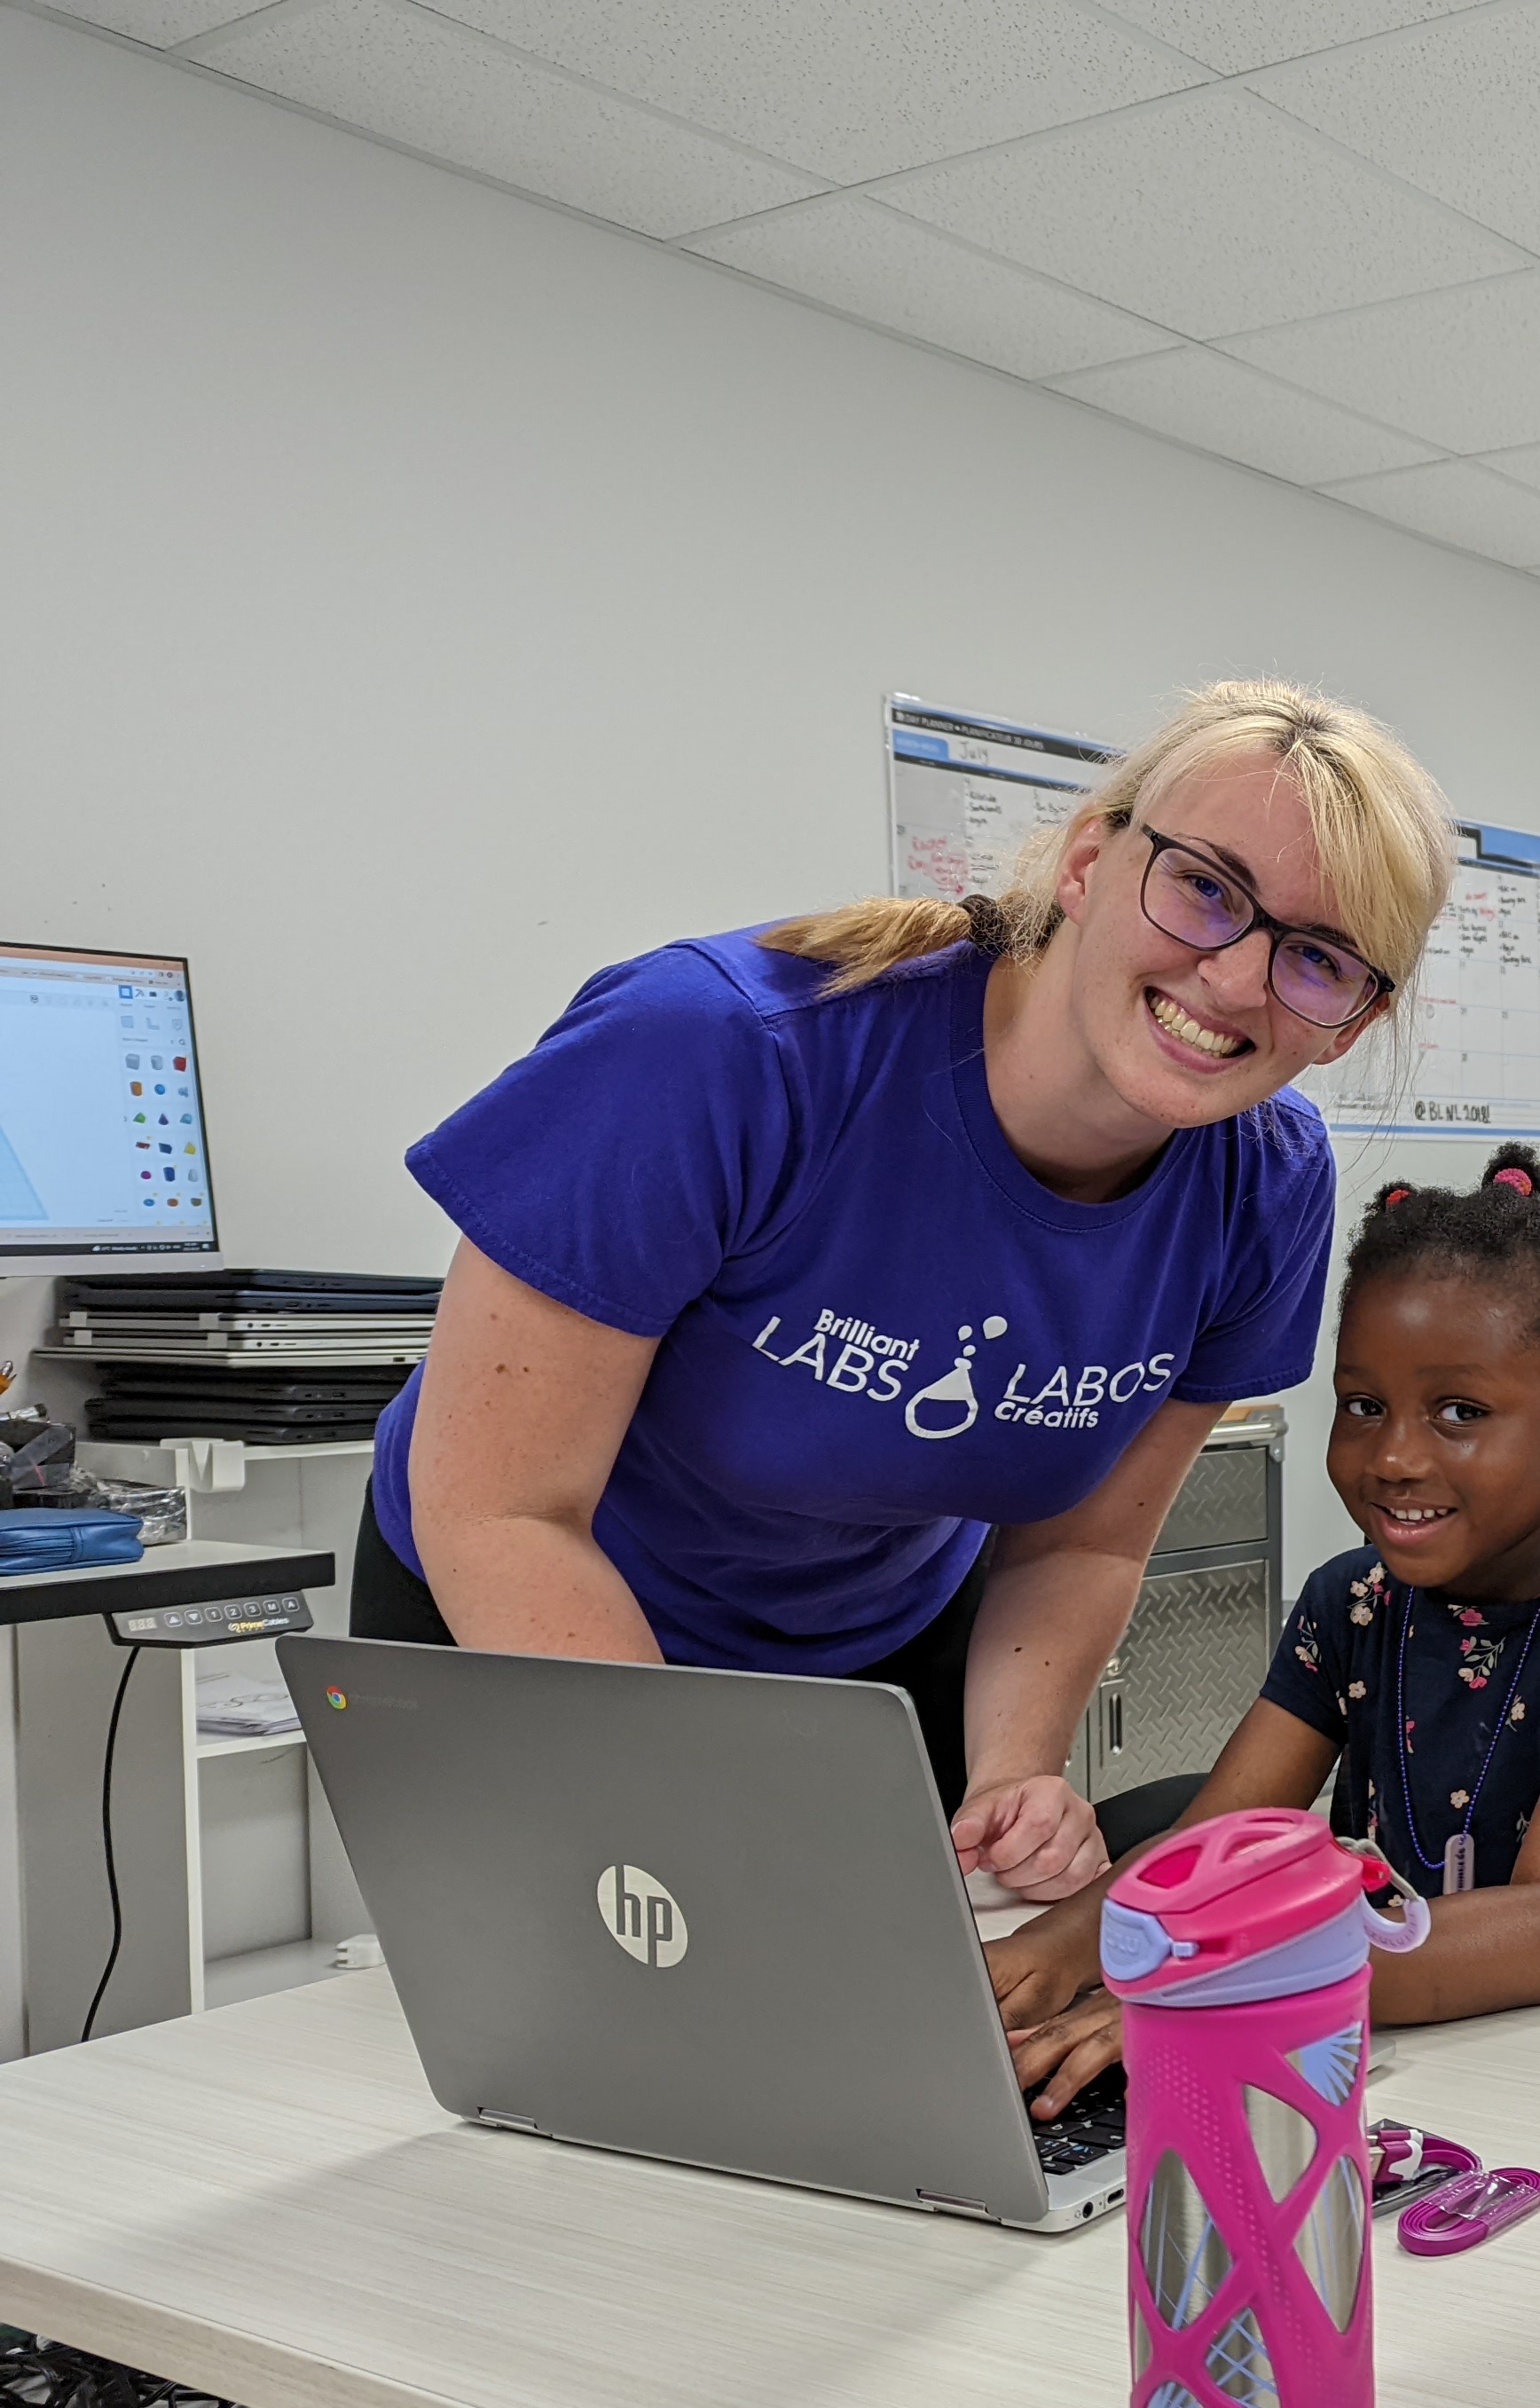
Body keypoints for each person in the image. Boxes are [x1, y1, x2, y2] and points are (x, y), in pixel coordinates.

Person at [352, 681, 1452, 1901]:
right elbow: (503, 1512)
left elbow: (1084, 1540)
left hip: (878, 1655)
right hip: (525, 1616)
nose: (1238, 981)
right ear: (1089, 860)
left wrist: (1015, 1774)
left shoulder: (1265, 1188)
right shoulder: (720, 1053)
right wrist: (680, 1810)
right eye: (1206, 887)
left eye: (1317, 960)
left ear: (1351, 1023)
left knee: (860, 2036)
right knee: (551, 2042)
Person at [991, 1145, 1540, 2115]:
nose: (1394, 1456)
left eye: (1461, 1412)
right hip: (1410, 2062)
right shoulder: (1354, 1604)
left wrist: (1233, 1994)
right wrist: (1041, 1952)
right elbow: (1210, 1841)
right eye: (1363, 1406)